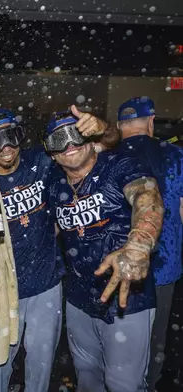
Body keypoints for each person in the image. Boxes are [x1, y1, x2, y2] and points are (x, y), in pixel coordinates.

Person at [0, 106, 115, 392]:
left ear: (21, 136)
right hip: (1, 290)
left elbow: (104, 146)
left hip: (45, 286)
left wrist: (101, 126)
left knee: (40, 363)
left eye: (11, 137)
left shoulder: (42, 161)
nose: (5, 148)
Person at [44, 111, 163, 392]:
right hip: (79, 299)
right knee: (88, 380)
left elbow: (148, 198)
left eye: (76, 134)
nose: (70, 144)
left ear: (91, 140)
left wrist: (137, 247)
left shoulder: (118, 165)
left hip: (126, 296)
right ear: (52, 154)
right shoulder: (54, 184)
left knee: (123, 384)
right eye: (59, 139)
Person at [114, 97, 183, 391]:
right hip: (163, 268)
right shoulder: (176, 156)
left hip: (122, 267)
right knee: (155, 343)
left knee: (121, 345)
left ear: (119, 126)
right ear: (152, 121)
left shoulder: (108, 156)